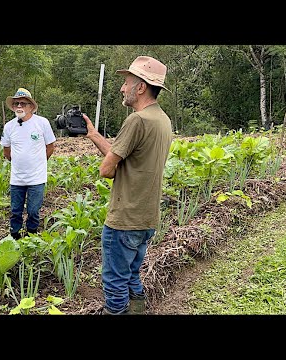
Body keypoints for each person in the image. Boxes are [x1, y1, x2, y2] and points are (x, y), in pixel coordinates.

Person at [82, 56, 173, 315]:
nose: (123, 88)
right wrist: (94, 135)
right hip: (146, 217)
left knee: (114, 280)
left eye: (126, 82)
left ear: (141, 87)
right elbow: (128, 158)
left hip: (125, 219)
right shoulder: (162, 120)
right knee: (132, 274)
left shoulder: (137, 120)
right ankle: (137, 309)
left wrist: (108, 162)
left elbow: (107, 170)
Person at [0, 88, 56, 240]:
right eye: (16, 103)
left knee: (33, 210)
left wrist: (39, 163)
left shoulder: (42, 123)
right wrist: (18, 162)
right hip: (17, 178)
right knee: (15, 210)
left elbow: (50, 146)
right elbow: (6, 150)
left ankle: (31, 235)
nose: (19, 106)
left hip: (36, 178)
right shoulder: (9, 127)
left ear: (31, 106)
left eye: (23, 103)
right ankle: (15, 236)